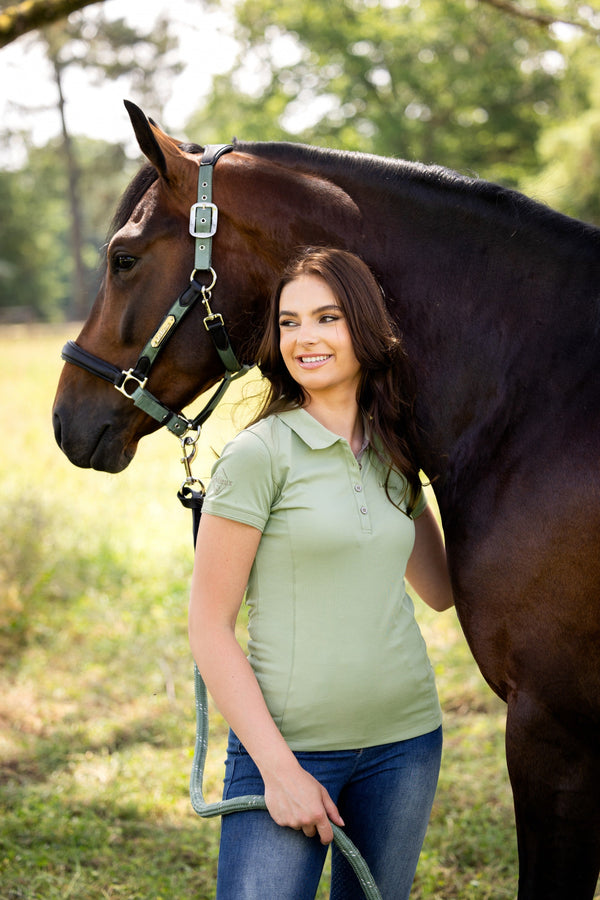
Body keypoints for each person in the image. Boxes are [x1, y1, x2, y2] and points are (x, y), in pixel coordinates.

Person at [188, 247, 454, 900]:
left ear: (365, 327)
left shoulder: (395, 447)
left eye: (326, 318)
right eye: (289, 323)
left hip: (406, 744)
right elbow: (208, 626)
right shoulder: (258, 456)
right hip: (285, 749)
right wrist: (280, 772)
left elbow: (442, 591)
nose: (303, 338)